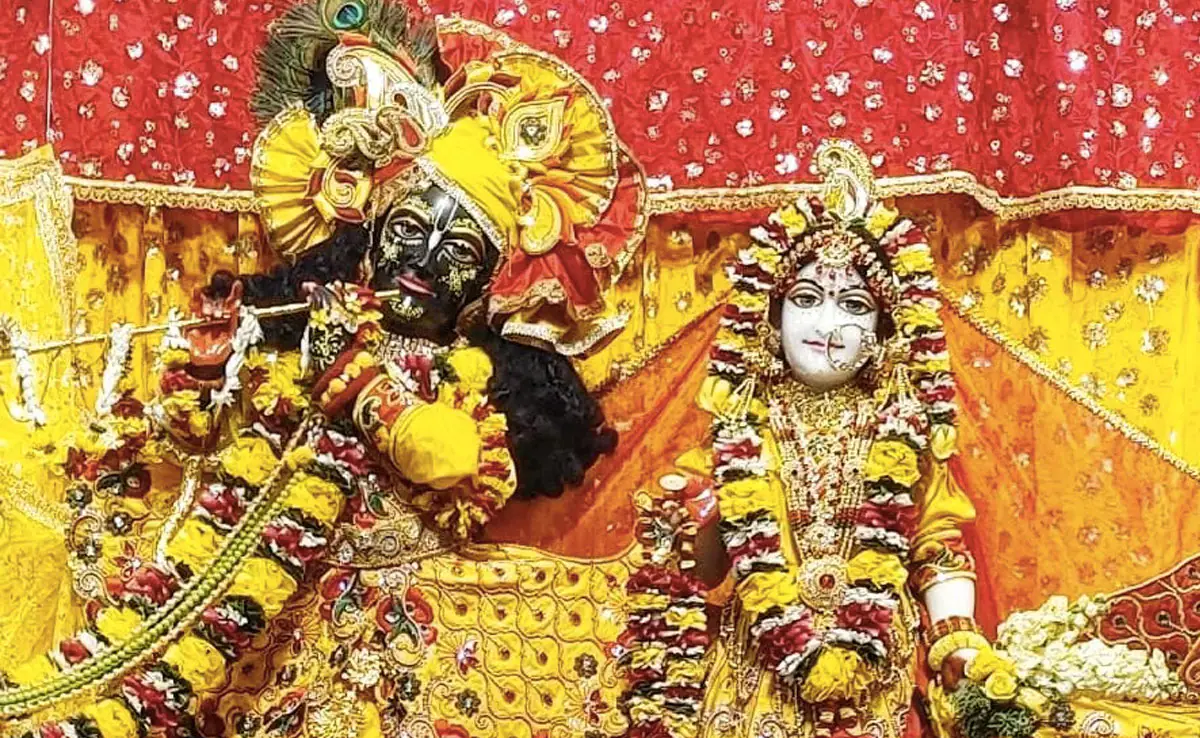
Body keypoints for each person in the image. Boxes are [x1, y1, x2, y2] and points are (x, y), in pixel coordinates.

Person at [1, 3, 645, 737]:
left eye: (458, 250)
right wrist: (208, 374)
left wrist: (354, 373)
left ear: (484, 286)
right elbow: (206, 451)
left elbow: (447, 457)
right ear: (371, 239)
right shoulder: (309, 330)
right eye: (409, 229)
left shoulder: (465, 372)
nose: (424, 258)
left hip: (413, 636)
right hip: (279, 621)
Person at [621, 142, 995, 738]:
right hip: (755, 675)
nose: (827, 325)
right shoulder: (739, 428)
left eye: (854, 304)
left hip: (876, 674)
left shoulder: (905, 430)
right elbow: (704, 570)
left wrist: (958, 639)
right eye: (805, 299)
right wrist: (698, 520)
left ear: (885, 332)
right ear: (771, 320)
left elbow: (938, 547)